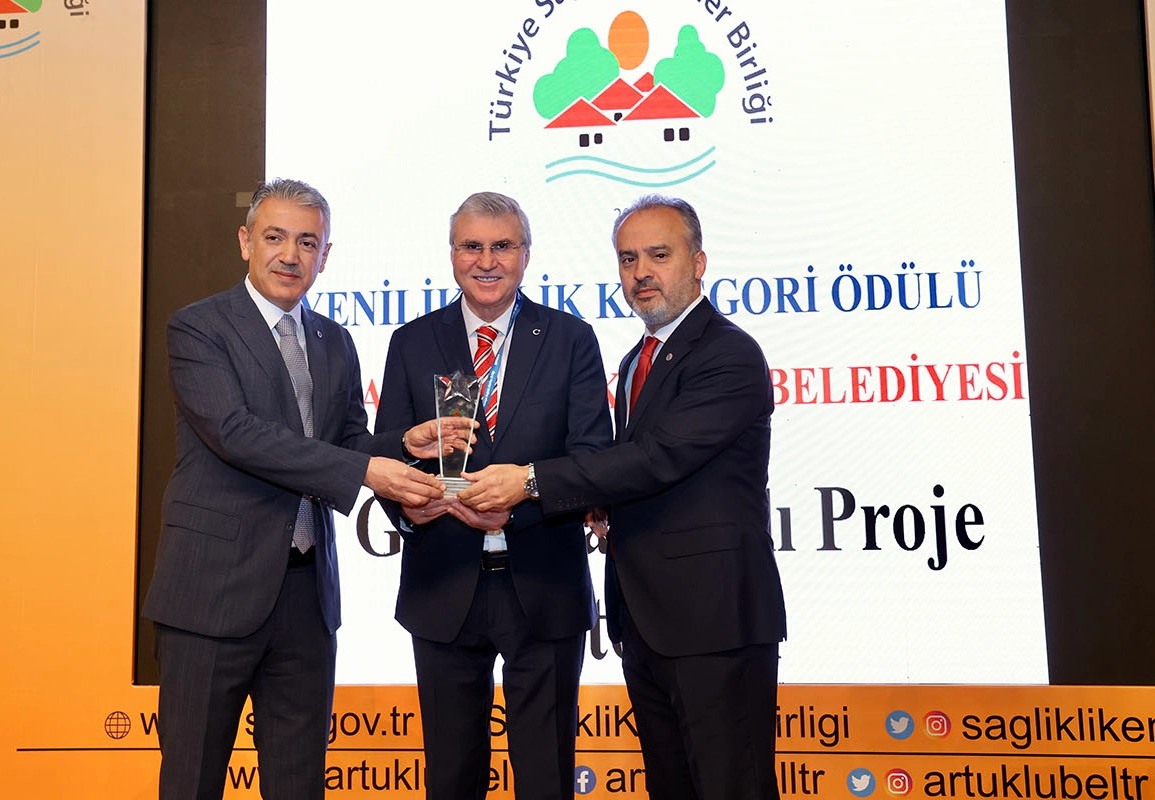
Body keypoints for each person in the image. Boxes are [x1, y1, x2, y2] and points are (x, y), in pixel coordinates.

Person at [142, 178, 464, 800]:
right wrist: (365, 471)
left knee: (299, 784)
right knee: (191, 781)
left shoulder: (334, 339)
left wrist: (403, 443)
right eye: (275, 238)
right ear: (245, 242)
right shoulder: (199, 328)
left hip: (306, 598)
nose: (290, 255)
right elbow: (236, 434)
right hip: (210, 594)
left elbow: (346, 440)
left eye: (307, 242)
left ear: (325, 255)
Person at [461, 195, 787, 800]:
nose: (641, 273)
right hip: (647, 621)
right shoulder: (638, 359)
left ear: (698, 262)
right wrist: (599, 503)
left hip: (716, 621)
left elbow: (659, 458)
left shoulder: (728, 354)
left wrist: (532, 480)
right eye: (628, 258)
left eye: (659, 255)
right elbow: (630, 473)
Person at [374, 191, 613, 799]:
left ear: (526, 254)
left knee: (546, 779)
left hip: (544, 583)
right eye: (471, 246)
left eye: (502, 246)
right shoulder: (411, 342)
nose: (486, 261)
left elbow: (593, 459)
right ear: (452, 254)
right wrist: (409, 507)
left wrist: (524, 496)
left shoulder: (570, 338)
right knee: (451, 780)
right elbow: (385, 454)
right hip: (442, 585)